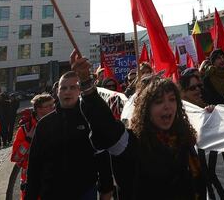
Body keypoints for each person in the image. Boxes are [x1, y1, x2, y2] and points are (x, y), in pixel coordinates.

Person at [72, 52, 207, 199]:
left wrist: (210, 116)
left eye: (172, 99)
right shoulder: (131, 143)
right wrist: (86, 82)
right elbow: (105, 126)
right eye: (159, 102)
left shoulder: (184, 138)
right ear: (145, 109)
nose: (167, 106)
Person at [25, 71, 114, 200]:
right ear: (57, 91)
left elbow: (102, 156)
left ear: (79, 91)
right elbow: (34, 165)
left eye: (73, 87)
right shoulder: (45, 124)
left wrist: (106, 188)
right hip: (51, 193)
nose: (68, 91)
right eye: (64, 88)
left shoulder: (89, 120)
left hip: (85, 192)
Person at [11, 93, 55, 199]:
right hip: (32, 182)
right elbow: (16, 157)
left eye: (53, 105)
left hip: (53, 180)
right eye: (48, 106)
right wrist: (28, 140)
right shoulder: (25, 130)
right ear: (39, 109)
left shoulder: (58, 123)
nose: (53, 108)